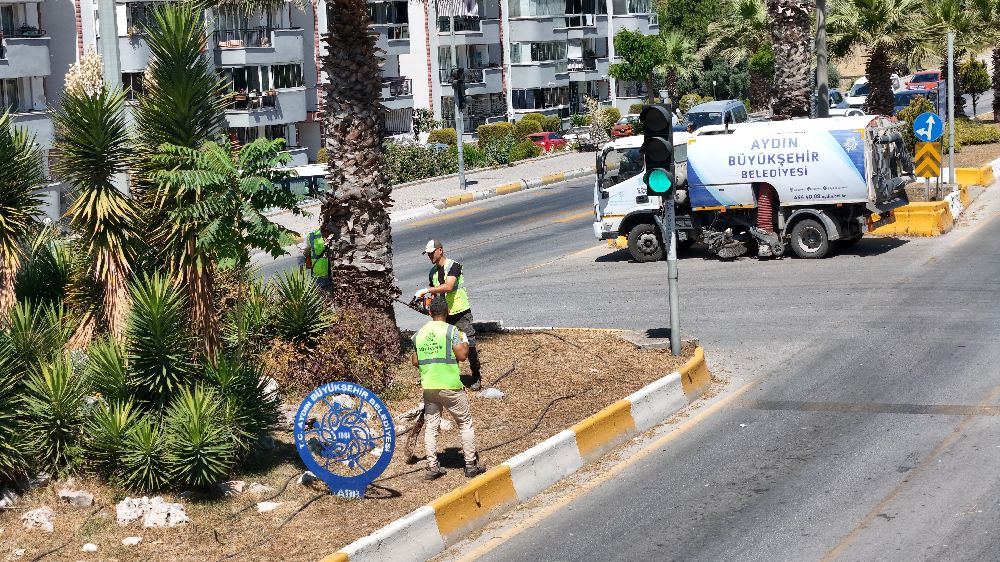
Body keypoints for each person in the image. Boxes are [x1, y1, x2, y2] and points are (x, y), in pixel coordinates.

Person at [412, 295, 487, 480]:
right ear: (447, 312)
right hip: (450, 386)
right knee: (464, 423)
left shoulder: (419, 334)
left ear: (430, 312)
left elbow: (415, 361)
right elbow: (462, 356)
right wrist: (465, 342)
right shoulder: (453, 331)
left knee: (431, 426)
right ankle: (470, 465)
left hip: (429, 386)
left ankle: (432, 467)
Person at [416, 240, 482, 390]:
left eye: (432, 252)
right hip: (444, 315)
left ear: (440, 250)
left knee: (470, 344)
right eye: (428, 254)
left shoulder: (454, 266)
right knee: (448, 347)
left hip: (460, 312)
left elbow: (449, 286)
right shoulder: (432, 272)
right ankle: (453, 378)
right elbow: (435, 295)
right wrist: (425, 304)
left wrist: (426, 290)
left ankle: (476, 376)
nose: (430, 256)